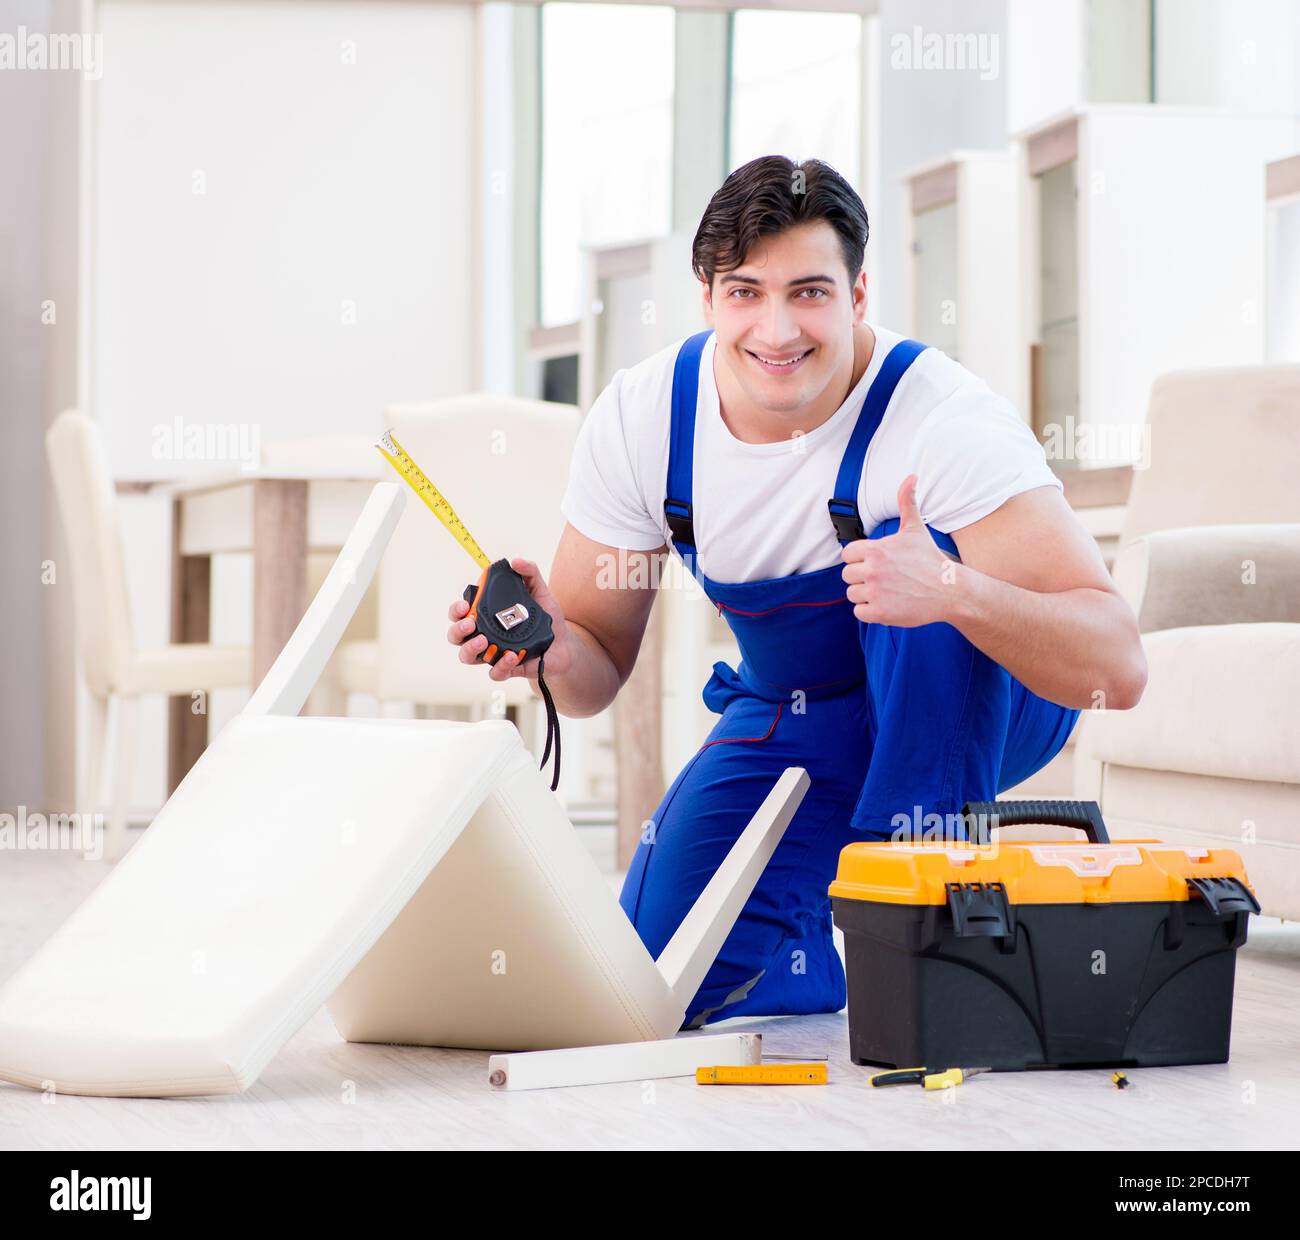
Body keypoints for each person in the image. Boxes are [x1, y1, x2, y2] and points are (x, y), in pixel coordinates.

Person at [447, 155, 1147, 1027]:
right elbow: (594, 684)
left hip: (985, 691)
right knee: (658, 977)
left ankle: (928, 932)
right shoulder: (645, 419)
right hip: (803, 709)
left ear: (857, 298)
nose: (777, 330)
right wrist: (545, 644)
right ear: (706, 297)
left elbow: (1115, 670)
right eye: (746, 292)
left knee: (915, 577)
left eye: (809, 292)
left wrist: (957, 590)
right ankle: (816, 956)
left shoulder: (946, 422)